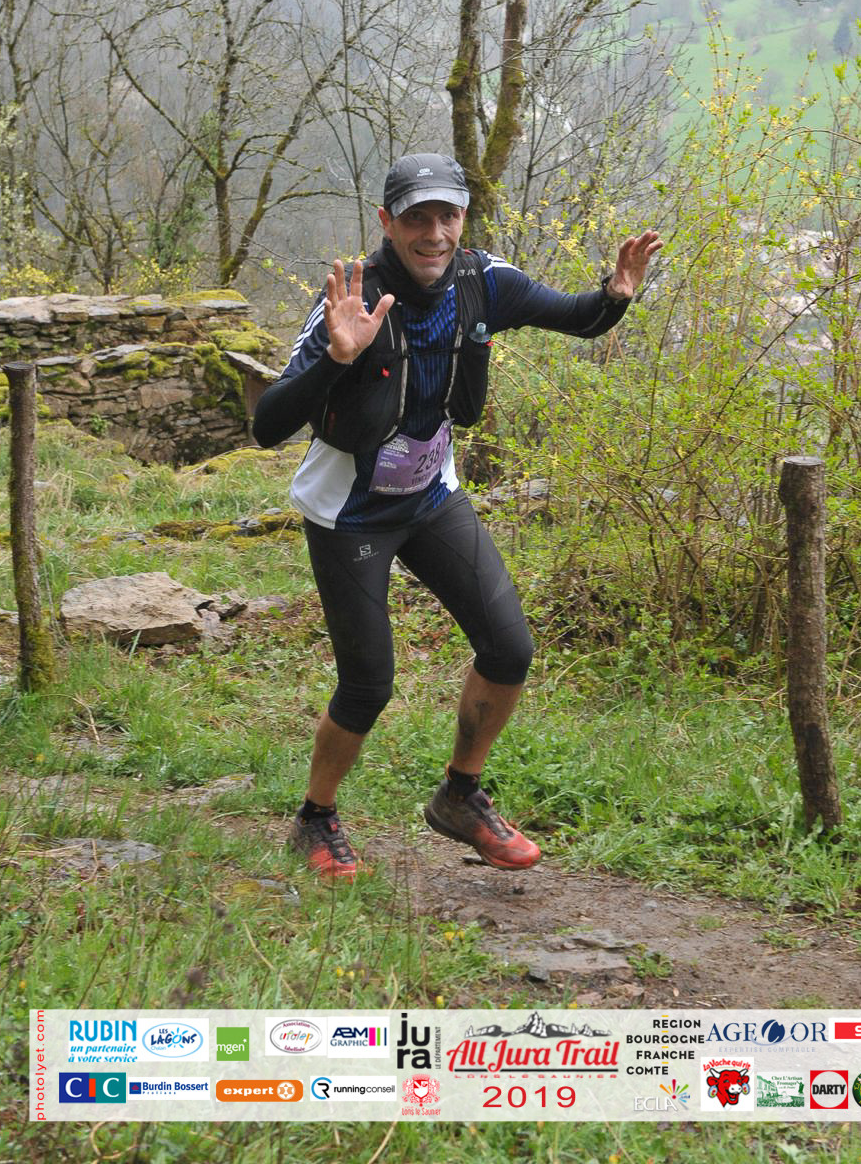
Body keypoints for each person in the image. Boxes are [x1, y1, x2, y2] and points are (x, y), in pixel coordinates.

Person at [252, 153, 660, 880]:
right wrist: (336, 358)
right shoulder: (350, 299)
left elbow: (578, 317)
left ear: (463, 219)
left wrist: (616, 293)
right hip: (350, 514)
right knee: (369, 683)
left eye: (447, 216)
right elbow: (267, 425)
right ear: (388, 222)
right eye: (417, 218)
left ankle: (459, 796)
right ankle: (315, 816)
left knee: (509, 649)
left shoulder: (482, 281)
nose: (434, 234)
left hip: (431, 496)